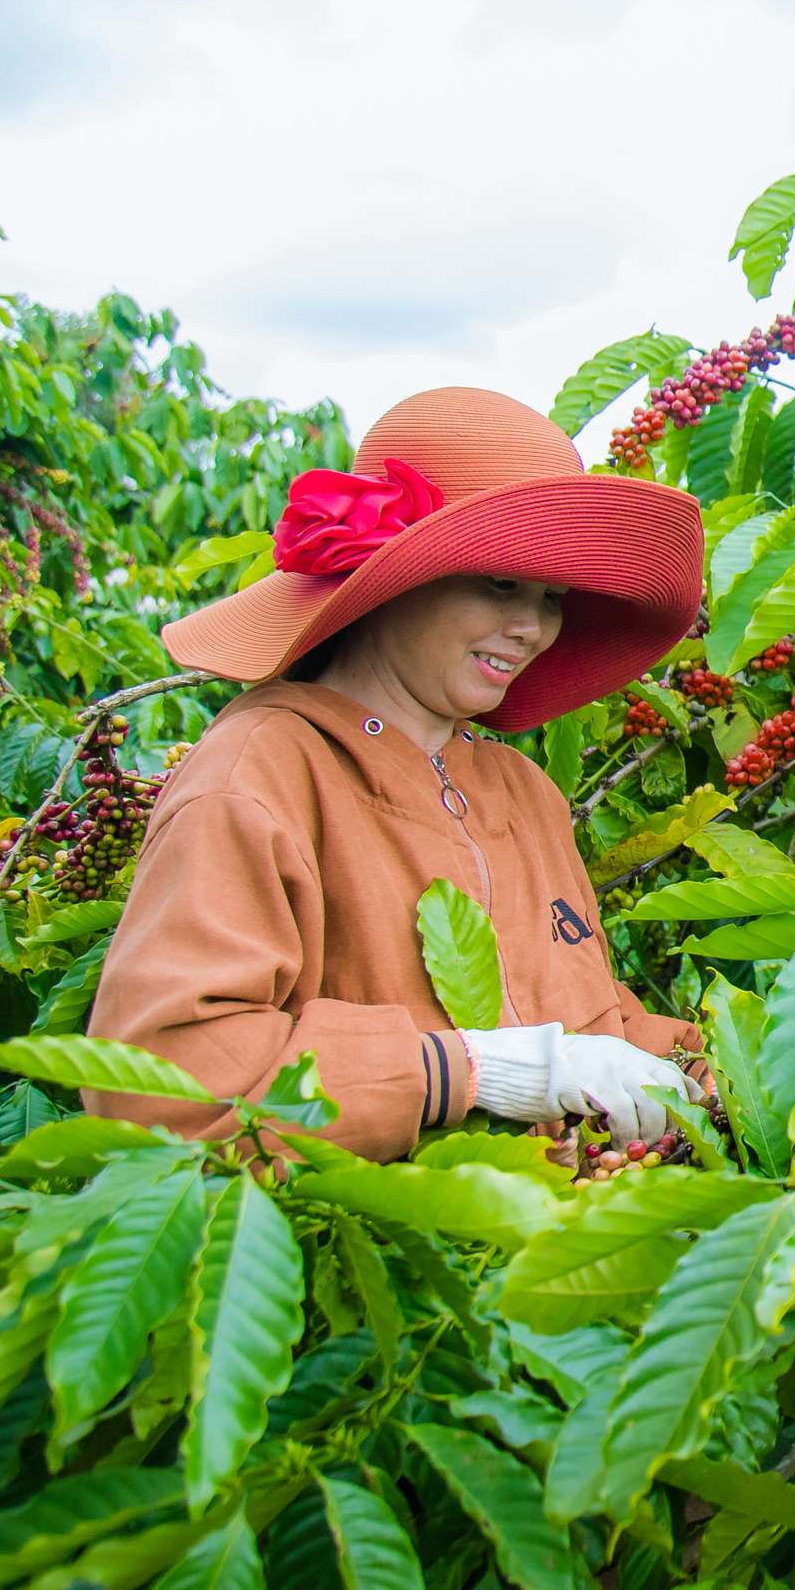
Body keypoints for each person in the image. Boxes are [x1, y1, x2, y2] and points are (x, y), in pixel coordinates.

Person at [87, 386, 709, 1159]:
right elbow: (156, 1082)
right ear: (397, 577)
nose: (533, 627)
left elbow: (592, 1026)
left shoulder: (523, 792)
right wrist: (463, 1072)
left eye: (551, 597)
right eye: (501, 582)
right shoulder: (259, 775)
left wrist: (744, 1076)